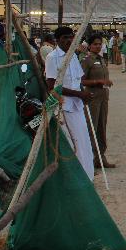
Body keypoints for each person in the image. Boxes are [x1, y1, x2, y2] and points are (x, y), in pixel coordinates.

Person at [45, 26, 95, 180]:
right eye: (64, 38)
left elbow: (78, 80)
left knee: (84, 141)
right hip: (64, 107)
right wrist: (79, 94)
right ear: (57, 40)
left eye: (70, 37)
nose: (68, 40)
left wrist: (83, 96)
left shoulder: (72, 55)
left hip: (77, 106)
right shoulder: (53, 57)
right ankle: (76, 178)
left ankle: (88, 176)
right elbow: (52, 87)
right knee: (74, 144)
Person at [81, 34, 115, 169]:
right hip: (92, 97)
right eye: (95, 44)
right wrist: (98, 81)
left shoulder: (101, 59)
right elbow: (81, 80)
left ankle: (100, 157)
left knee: (102, 127)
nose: (98, 46)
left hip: (103, 97)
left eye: (100, 44)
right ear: (89, 46)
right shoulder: (87, 60)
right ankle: (89, 159)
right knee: (91, 128)